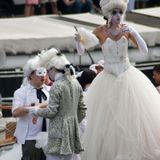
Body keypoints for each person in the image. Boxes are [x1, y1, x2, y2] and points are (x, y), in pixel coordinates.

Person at [75, 0, 160, 159]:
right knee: (108, 120)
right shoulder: (100, 31)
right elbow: (81, 51)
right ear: (108, 14)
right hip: (108, 77)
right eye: (114, 12)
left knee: (133, 116)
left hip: (128, 76)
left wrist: (134, 34)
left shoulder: (127, 30)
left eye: (120, 12)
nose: (118, 15)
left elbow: (144, 50)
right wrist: (78, 41)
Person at [28, 48, 86, 160]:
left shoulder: (57, 86)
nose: (47, 74)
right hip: (73, 131)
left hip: (57, 133)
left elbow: (51, 112)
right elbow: (82, 110)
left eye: (48, 71)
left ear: (53, 69)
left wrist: (36, 111)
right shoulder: (76, 83)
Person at [12, 56, 50, 160]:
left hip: (50, 136)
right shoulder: (21, 92)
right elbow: (15, 112)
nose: (42, 76)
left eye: (44, 72)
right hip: (30, 138)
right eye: (39, 73)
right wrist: (35, 107)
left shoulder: (51, 90)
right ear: (30, 76)